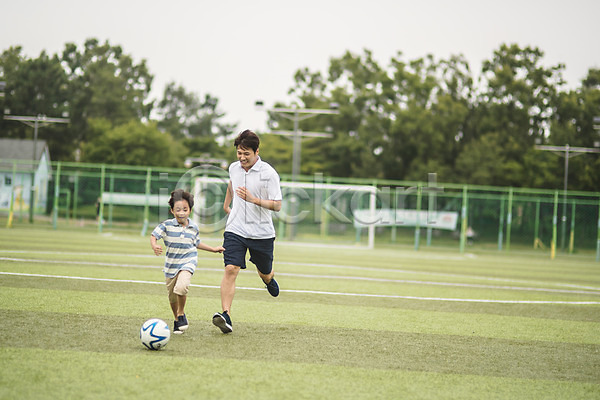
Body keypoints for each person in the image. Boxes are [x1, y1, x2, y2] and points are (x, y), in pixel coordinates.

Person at [212, 129, 282, 334]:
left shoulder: (269, 173)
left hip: (261, 233)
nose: (242, 158)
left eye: (246, 154)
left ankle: (268, 279)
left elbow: (277, 205)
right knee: (230, 269)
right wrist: (227, 206)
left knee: (265, 271)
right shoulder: (234, 168)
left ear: (257, 151)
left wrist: (254, 200)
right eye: (239, 153)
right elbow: (231, 185)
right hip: (235, 229)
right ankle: (226, 315)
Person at [151, 189, 225, 334]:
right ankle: (178, 319)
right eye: (178, 209)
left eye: (185, 209)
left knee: (182, 286)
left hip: (188, 261)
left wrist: (213, 249)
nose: (182, 212)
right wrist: (154, 245)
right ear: (172, 210)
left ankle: (181, 313)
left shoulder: (193, 227)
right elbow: (154, 235)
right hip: (171, 265)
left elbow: (196, 243)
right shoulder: (166, 225)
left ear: (190, 210)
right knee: (172, 297)